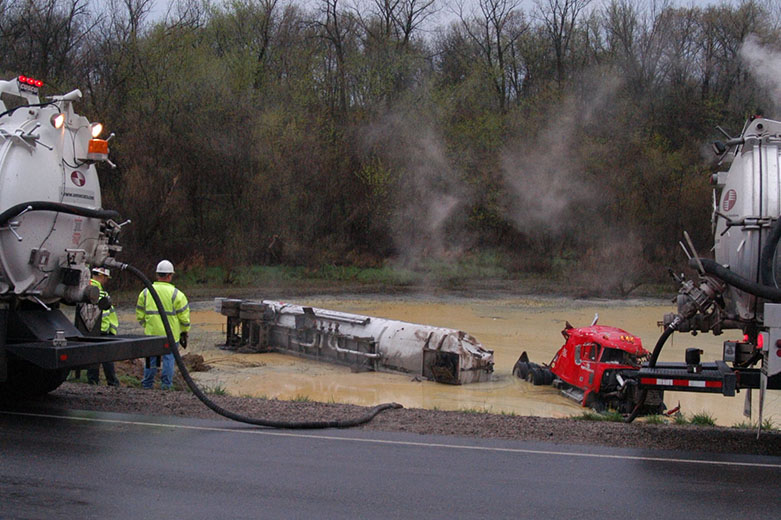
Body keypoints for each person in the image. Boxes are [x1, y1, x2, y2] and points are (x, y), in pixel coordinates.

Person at [136, 260, 190, 390]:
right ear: (170, 275)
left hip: (151, 334)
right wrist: (184, 331)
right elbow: (184, 317)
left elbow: (140, 314)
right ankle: (166, 386)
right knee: (169, 360)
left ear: (157, 275)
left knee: (150, 361)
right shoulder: (177, 294)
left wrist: (147, 325)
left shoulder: (145, 292)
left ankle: (147, 385)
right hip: (170, 335)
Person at [73, 267, 120, 386]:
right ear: (100, 276)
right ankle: (112, 382)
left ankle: (93, 381)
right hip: (102, 331)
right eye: (105, 278)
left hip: (88, 331)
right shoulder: (101, 293)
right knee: (107, 358)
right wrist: (111, 330)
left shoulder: (83, 291)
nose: (106, 281)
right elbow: (108, 315)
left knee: (93, 358)